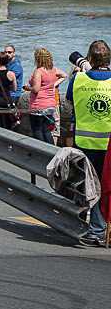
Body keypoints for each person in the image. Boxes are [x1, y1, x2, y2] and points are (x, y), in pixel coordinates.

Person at [66, 40, 111, 246]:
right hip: (109, 145)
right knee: (107, 187)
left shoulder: (77, 79)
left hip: (84, 143)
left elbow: (69, 106)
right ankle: (103, 229)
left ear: (90, 59)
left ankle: (91, 229)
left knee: (89, 188)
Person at [23, 48, 66, 145]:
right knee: (46, 130)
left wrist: (27, 88)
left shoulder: (39, 71)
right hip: (50, 105)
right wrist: (54, 85)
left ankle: (41, 152)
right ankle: (51, 151)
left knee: (37, 131)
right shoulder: (53, 69)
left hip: (38, 105)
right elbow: (64, 75)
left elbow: (36, 89)